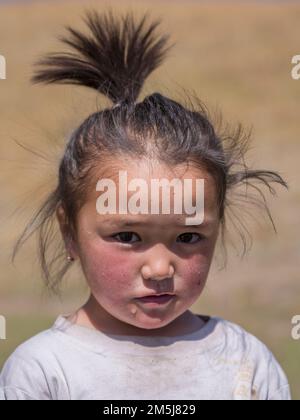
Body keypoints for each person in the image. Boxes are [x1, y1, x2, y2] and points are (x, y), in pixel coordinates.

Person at [0, 9, 291, 400]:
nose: (159, 268)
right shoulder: (45, 370)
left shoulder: (246, 360)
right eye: (127, 235)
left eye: (188, 236)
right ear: (69, 232)